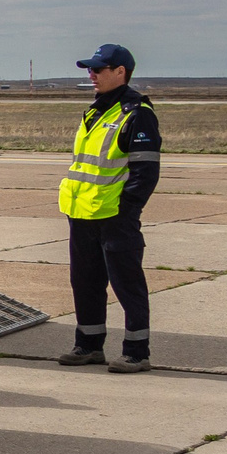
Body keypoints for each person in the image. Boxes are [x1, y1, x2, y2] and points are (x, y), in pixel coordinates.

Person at [59, 44, 161, 373]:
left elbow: (146, 172)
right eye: (90, 69)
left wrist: (127, 211)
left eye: (99, 69)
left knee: (126, 284)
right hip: (83, 213)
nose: (92, 74)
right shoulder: (95, 111)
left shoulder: (136, 112)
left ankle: (136, 352)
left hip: (115, 216)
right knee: (85, 282)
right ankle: (88, 345)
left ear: (121, 72)